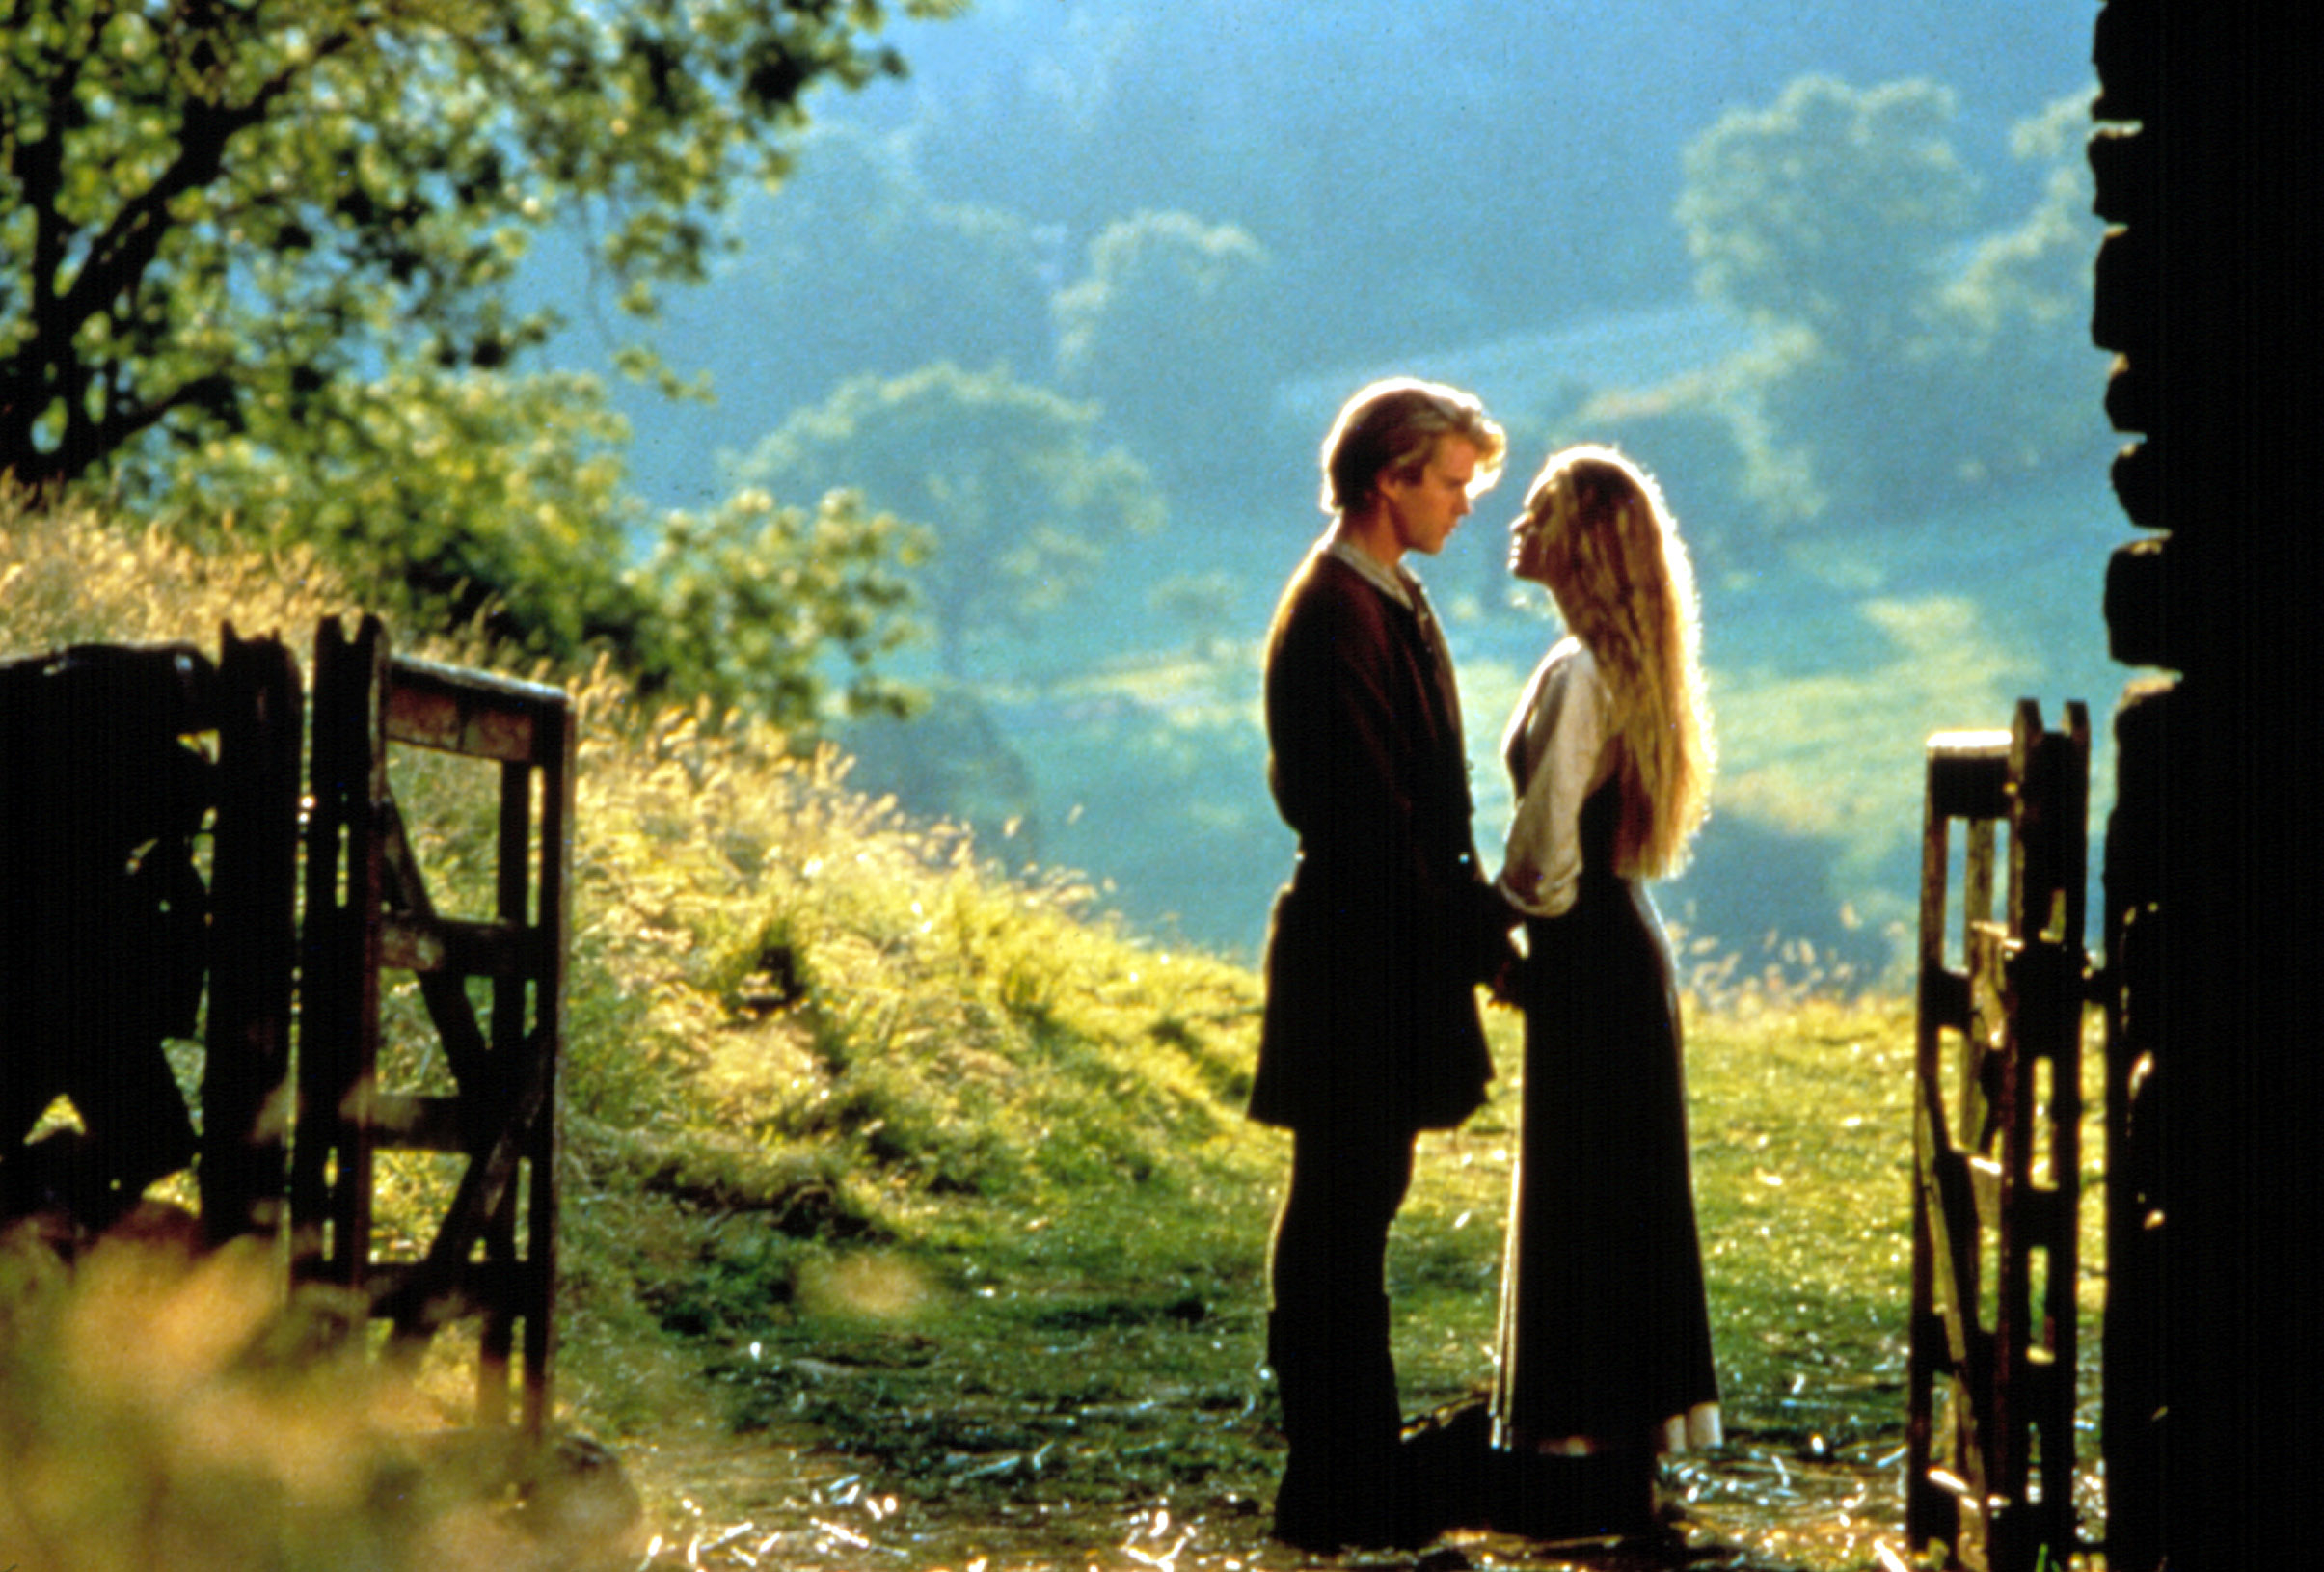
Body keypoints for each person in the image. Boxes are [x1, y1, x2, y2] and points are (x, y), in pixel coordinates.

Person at [1251, 377, 1516, 1552]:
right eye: (1449, 482)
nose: (1463, 504)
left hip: (1386, 948)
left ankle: (1352, 1467)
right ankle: (1335, 1479)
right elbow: (1370, 816)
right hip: (1358, 957)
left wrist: (1476, 931)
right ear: (1387, 478)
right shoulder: (1335, 613)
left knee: (1359, 1203)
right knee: (1340, 1214)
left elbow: (1430, 810)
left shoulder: (1388, 597)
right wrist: (1471, 936)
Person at [1488, 444, 1721, 1539]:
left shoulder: (1582, 672)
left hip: (1586, 954)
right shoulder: (1618, 666)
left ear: (1581, 541)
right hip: (1622, 948)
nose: (1516, 523)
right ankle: (1615, 1451)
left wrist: (1492, 932)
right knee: (1620, 1193)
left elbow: (1544, 852)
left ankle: (1584, 1451)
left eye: (1539, 509)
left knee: (1585, 1194)